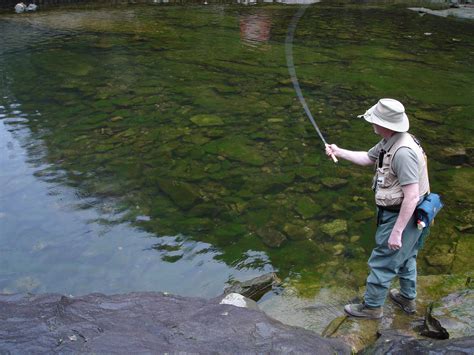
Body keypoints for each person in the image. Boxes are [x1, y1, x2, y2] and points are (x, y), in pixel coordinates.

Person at [325, 98, 430, 319]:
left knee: (383, 260)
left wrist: (397, 232)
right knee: (407, 256)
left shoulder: (403, 152)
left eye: (374, 119)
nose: (371, 122)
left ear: (386, 124)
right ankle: (407, 297)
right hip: (404, 214)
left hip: (403, 216)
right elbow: (367, 158)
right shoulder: (390, 140)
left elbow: (411, 197)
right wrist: (338, 151)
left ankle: (372, 308)